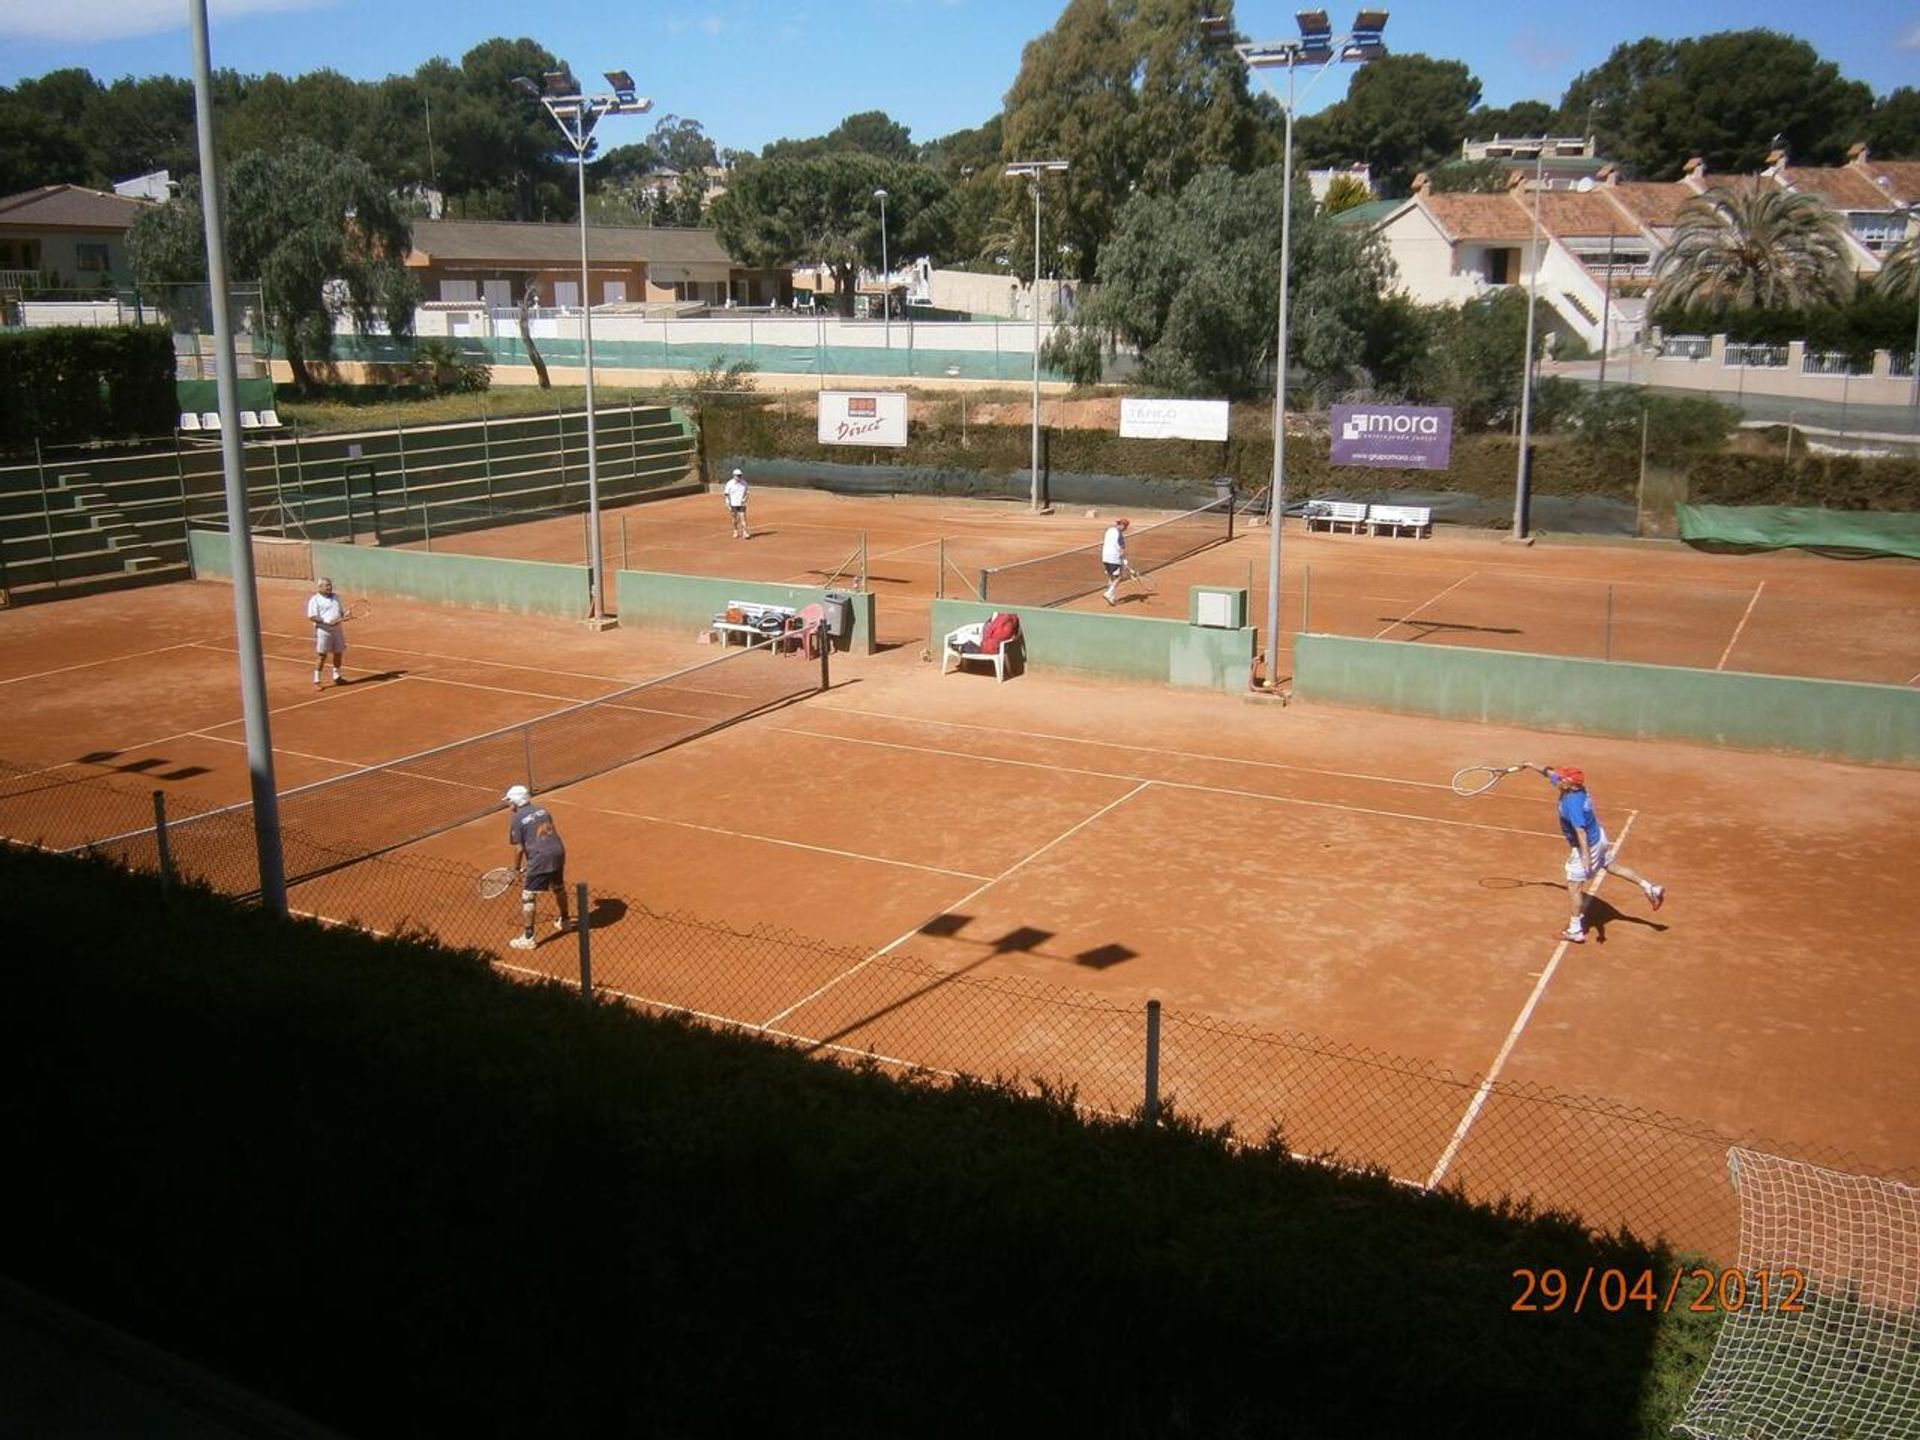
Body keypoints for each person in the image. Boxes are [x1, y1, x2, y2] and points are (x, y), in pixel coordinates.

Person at [1522, 764, 1665, 944]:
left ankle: (1575, 931)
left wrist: (1586, 856)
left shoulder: (1571, 803)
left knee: (1574, 885)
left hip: (1588, 844)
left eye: (1562, 778)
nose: (1558, 779)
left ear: (1570, 784)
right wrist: (1528, 765)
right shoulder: (1574, 787)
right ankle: (1649, 887)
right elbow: (1549, 772)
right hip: (1599, 837)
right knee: (1612, 866)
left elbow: (1580, 831)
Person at [503, 784, 570, 950]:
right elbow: (540, 835)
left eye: (509, 801)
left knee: (528, 896)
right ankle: (565, 920)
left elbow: (519, 848)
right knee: (558, 887)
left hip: (540, 858)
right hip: (557, 852)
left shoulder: (517, 819)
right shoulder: (542, 810)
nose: (508, 804)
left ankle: (528, 938)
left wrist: (516, 869)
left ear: (517, 801)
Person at [305, 577, 347, 689]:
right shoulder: (315, 600)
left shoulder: (336, 597)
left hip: (337, 629)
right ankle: (317, 680)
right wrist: (326, 621)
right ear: (320, 587)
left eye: (330, 585)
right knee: (322, 655)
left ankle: (337, 676)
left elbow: (341, 612)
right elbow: (312, 616)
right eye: (327, 585)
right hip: (323, 631)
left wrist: (344, 616)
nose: (329, 587)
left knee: (338, 652)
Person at [1100, 517, 1131, 605]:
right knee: (1119, 577)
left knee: (1111, 577)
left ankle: (1111, 598)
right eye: (1125, 527)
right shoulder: (1119, 534)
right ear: (1122, 525)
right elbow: (1121, 549)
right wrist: (1124, 560)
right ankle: (1108, 593)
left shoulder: (1109, 530)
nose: (1126, 529)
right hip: (1114, 558)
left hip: (1105, 557)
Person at [723, 466, 750, 539]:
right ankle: (735, 531)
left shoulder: (744, 483)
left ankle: (745, 532)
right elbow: (726, 494)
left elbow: (747, 493)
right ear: (734, 476)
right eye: (738, 476)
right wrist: (727, 504)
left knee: (743, 517)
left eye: (740, 475)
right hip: (733, 504)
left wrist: (745, 499)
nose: (740, 477)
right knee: (735, 519)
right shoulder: (729, 483)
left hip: (741, 504)